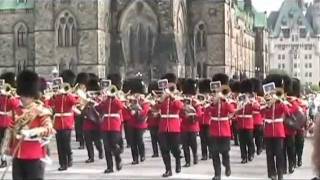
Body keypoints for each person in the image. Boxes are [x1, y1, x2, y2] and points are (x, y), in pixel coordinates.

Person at [3, 70, 55, 180]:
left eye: (27, 96)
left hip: (34, 156)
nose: (24, 98)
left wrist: (31, 133)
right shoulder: (16, 111)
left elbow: (48, 128)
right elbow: (10, 130)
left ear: (33, 95)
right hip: (17, 155)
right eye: (23, 95)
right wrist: (6, 150)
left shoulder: (41, 111)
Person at [206, 73, 235, 180]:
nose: (218, 93)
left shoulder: (226, 102)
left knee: (225, 153)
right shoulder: (211, 101)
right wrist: (213, 102)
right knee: (214, 154)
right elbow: (207, 112)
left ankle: (227, 166)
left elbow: (232, 111)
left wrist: (224, 100)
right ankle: (217, 174)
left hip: (225, 131)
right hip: (214, 131)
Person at [261, 74, 290, 180]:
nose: (272, 95)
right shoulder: (266, 103)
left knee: (279, 153)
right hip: (268, 132)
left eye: (274, 93)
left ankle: (280, 173)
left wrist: (280, 100)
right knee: (269, 154)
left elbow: (288, 113)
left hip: (278, 132)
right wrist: (267, 104)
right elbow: (261, 112)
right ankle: (271, 173)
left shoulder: (281, 104)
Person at [49, 71, 80, 171]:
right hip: (58, 123)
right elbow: (49, 103)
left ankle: (69, 157)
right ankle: (62, 163)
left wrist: (68, 93)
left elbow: (76, 102)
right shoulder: (56, 96)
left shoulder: (69, 97)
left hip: (67, 123)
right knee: (59, 144)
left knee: (66, 143)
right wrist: (54, 94)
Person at [158, 73, 184, 177]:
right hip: (163, 126)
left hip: (174, 127)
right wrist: (162, 98)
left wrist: (173, 97)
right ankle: (168, 169)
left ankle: (178, 160)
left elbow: (180, 107)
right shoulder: (163, 98)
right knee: (164, 148)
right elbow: (156, 107)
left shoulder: (178, 98)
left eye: (171, 87)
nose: (169, 89)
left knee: (175, 149)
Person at [95, 84, 124, 173]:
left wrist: (115, 97)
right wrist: (102, 100)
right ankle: (110, 167)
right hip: (105, 125)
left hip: (115, 125)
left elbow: (120, 106)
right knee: (107, 147)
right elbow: (98, 108)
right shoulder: (105, 101)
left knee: (114, 145)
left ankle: (118, 158)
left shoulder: (116, 101)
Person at [125, 78, 150, 165]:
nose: (136, 95)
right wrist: (128, 107)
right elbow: (125, 111)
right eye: (135, 93)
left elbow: (145, 111)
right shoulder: (130, 101)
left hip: (140, 124)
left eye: (137, 93)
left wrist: (137, 111)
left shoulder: (144, 102)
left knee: (139, 140)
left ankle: (142, 155)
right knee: (132, 142)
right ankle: (135, 158)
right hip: (131, 124)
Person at [0, 72, 20, 168]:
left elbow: (17, 106)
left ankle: (4, 159)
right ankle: (2, 158)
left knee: (6, 142)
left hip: (8, 122)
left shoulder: (11, 98)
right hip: (0, 121)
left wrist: (10, 96)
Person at [236, 79, 259, 163]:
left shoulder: (252, 101)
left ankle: (251, 153)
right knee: (242, 142)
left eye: (247, 93)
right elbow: (235, 110)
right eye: (244, 93)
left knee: (249, 140)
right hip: (240, 123)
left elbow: (257, 108)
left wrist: (250, 102)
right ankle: (243, 157)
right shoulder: (239, 100)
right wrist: (239, 104)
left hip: (248, 123)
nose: (245, 94)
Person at [82, 78, 104, 163]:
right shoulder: (86, 100)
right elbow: (82, 111)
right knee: (88, 141)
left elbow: (102, 109)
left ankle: (100, 150)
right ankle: (91, 157)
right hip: (87, 123)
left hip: (96, 123)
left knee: (97, 141)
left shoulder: (99, 99)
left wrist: (95, 103)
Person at [180, 78, 201, 167]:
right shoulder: (182, 102)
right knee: (185, 145)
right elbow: (179, 113)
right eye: (187, 94)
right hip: (184, 126)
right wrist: (184, 115)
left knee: (193, 143)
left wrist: (192, 116)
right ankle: (187, 161)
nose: (188, 96)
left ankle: (195, 156)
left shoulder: (196, 102)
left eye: (190, 94)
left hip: (193, 126)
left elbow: (199, 114)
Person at [74, 72, 90, 149]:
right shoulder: (77, 91)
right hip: (79, 111)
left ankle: (86, 143)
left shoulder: (86, 92)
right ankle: (81, 143)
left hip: (85, 111)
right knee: (79, 128)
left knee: (85, 129)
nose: (83, 85)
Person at [198, 79, 212, 160]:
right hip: (201, 122)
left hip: (208, 122)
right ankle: (204, 154)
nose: (205, 94)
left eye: (206, 93)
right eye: (204, 93)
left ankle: (211, 152)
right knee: (202, 139)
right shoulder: (199, 100)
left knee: (209, 138)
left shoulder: (211, 100)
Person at [250, 78, 265, 155]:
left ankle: (259, 148)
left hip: (258, 120)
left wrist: (255, 103)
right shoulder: (248, 99)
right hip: (250, 121)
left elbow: (262, 108)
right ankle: (252, 151)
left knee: (258, 137)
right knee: (250, 138)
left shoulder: (261, 99)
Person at [147, 81, 161, 158]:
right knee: (153, 139)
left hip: (159, 123)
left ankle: (162, 151)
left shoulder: (161, 101)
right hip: (152, 123)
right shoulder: (150, 100)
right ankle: (155, 152)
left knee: (160, 139)